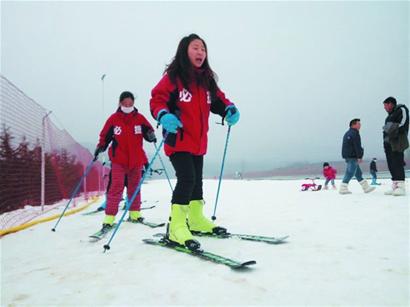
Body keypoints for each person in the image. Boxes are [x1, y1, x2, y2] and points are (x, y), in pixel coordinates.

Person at [149, 33, 240, 250]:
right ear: (184, 51)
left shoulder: (206, 80)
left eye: (203, 49)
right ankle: (177, 226)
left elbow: (218, 100)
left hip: (198, 142)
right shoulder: (174, 77)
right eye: (195, 48)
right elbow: (157, 99)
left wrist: (228, 108)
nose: (200, 52)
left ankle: (196, 220)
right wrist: (163, 115)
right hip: (178, 140)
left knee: (197, 181)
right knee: (187, 179)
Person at [94, 91, 156, 232]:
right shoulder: (114, 119)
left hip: (136, 161)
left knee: (135, 187)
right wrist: (101, 146)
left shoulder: (140, 118)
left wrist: (150, 135)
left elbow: (148, 131)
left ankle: (135, 214)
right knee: (116, 187)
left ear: (133, 103)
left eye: (130, 103)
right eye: (125, 103)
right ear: (120, 103)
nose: (128, 105)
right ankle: (109, 218)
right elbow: (105, 136)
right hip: (119, 161)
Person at [339, 118, 375, 194]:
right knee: (350, 172)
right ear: (353, 125)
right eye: (358, 124)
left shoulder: (349, 133)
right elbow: (357, 146)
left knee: (358, 173)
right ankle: (343, 188)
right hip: (352, 156)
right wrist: (359, 157)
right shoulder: (354, 133)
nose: (360, 125)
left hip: (349, 155)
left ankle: (366, 187)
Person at [382, 97, 409, 196]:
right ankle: (395, 184)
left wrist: (390, 128)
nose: (385, 108)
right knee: (391, 163)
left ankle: (401, 186)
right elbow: (387, 129)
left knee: (397, 161)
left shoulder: (401, 109)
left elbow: (403, 124)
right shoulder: (389, 116)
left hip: (397, 141)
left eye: (385, 106)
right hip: (388, 143)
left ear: (390, 104)